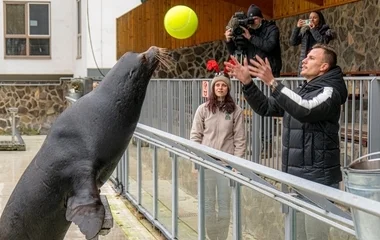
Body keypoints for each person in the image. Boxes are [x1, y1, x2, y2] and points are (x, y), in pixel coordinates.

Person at [225, 43, 348, 240]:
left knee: (316, 235)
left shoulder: (331, 91)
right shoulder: (302, 90)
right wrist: (248, 83)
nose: (304, 60)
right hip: (296, 176)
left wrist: (273, 82)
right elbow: (266, 107)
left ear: (324, 67)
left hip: (318, 179)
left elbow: (305, 109)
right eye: (306, 57)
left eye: (311, 58)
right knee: (297, 234)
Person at [190, 73, 246, 240]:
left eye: (223, 85)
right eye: (217, 85)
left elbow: (240, 139)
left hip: (226, 165)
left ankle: (221, 237)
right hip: (206, 163)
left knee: (224, 205)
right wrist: (195, 162)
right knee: (207, 205)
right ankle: (211, 236)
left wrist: (238, 164)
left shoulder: (236, 111)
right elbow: (195, 137)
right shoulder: (203, 109)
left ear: (228, 88)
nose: (220, 87)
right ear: (213, 89)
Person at [225, 4, 282, 77]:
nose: (253, 22)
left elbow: (269, 46)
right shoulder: (247, 32)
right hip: (253, 73)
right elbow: (235, 52)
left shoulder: (272, 29)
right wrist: (229, 41)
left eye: (255, 19)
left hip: (270, 72)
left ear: (262, 18)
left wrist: (250, 37)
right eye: (250, 20)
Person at [290, 11, 335, 75]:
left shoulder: (326, 30)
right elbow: (293, 42)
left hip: (318, 62)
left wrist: (313, 29)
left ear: (320, 19)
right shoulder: (305, 31)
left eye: (315, 18)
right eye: (310, 18)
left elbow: (322, 42)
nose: (312, 20)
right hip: (305, 60)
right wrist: (297, 28)